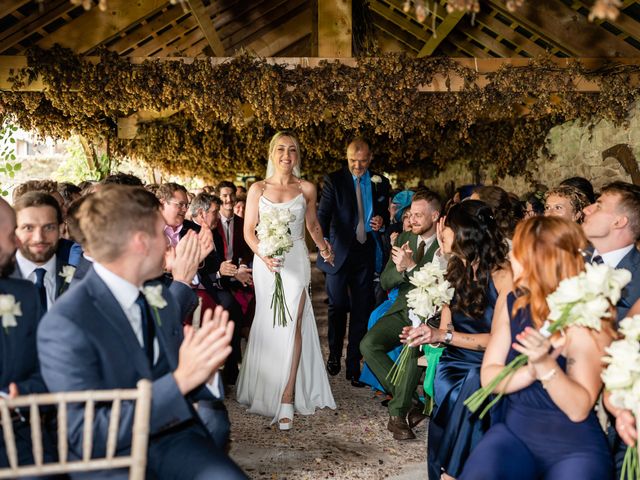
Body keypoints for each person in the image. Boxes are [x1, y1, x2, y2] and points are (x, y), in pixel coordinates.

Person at [37, 185, 246, 479]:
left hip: (174, 441)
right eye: (162, 234)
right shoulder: (67, 321)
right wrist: (181, 380)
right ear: (140, 243)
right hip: (112, 462)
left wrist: (205, 369)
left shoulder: (154, 294)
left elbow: (175, 372)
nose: (170, 245)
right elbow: (87, 435)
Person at [460, 216, 614, 480]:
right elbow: (489, 377)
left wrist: (545, 366)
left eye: (516, 252)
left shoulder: (588, 313)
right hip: (514, 434)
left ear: (538, 260)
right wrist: (529, 372)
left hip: (572, 447)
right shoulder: (513, 301)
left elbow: (578, 409)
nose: (510, 257)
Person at [404, 200, 512, 480]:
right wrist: (428, 336)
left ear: (464, 233)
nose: (442, 232)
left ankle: (456, 473)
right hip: (453, 361)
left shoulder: (503, 276)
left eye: (447, 227)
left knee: (468, 388)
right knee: (448, 386)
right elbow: (446, 327)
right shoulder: (454, 269)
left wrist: (444, 336)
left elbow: (500, 339)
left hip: (489, 363)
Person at [236, 132, 336, 430]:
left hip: (295, 261)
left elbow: (313, 225)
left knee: (293, 322)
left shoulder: (306, 188)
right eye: (281, 149)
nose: (286, 155)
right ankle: (264, 386)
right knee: (269, 323)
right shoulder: (257, 189)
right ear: (272, 153)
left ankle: (287, 397)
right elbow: (249, 232)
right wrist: (263, 255)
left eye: (292, 150)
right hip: (266, 263)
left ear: (297, 156)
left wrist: (323, 247)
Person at [360, 189, 441, 441]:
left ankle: (397, 415)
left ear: (436, 215)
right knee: (369, 344)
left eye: (419, 215)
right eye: (411, 214)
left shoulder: (446, 240)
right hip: (404, 309)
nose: (413, 220)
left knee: (410, 348)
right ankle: (409, 401)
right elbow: (385, 281)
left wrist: (409, 267)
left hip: (434, 316)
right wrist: (399, 268)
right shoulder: (405, 237)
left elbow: (441, 283)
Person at [317, 138, 391, 387]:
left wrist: (381, 221)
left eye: (362, 161)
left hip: (365, 250)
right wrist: (324, 243)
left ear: (370, 158)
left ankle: (353, 366)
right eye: (352, 161)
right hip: (337, 252)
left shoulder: (381, 182)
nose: (357, 166)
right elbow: (323, 216)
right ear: (346, 158)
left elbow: (384, 216)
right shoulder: (333, 180)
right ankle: (335, 355)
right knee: (337, 305)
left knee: (362, 308)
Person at [0, 198, 58, 470]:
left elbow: (47, 371)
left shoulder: (23, 295)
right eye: (12, 234)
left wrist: (21, 394)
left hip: (21, 441)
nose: (17, 244)